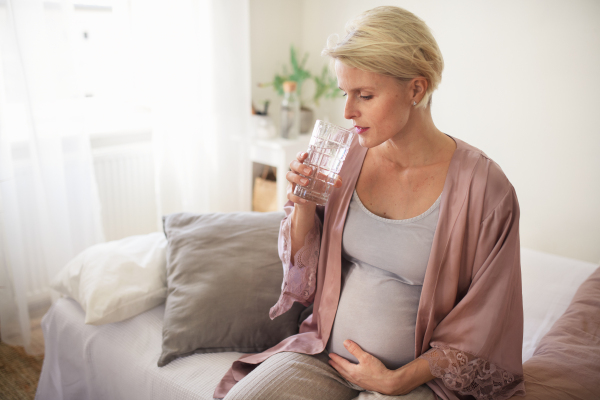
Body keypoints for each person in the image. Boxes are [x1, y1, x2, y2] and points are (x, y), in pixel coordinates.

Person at [214, 6, 526, 400]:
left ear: (416, 89)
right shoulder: (342, 155)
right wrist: (304, 206)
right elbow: (303, 278)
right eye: (345, 93)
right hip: (324, 356)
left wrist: (399, 380)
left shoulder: (485, 188)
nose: (347, 112)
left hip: (413, 380)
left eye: (365, 95)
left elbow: (487, 318)